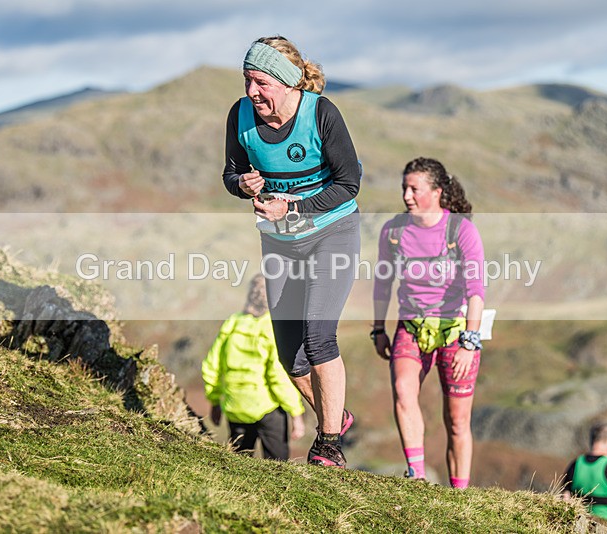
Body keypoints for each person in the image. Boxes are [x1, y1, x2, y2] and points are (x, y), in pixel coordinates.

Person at [222, 36, 360, 467]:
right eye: (247, 81)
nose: (251, 92)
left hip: (331, 233)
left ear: (283, 82)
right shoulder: (240, 117)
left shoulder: (321, 114)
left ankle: (329, 444)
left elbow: (348, 184)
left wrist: (294, 206)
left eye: (260, 82)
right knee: (289, 356)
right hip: (279, 242)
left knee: (319, 340)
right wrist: (242, 185)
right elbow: (230, 173)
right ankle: (337, 416)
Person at [372, 157, 485, 487]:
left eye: (414, 189)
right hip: (411, 326)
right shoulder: (393, 231)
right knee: (403, 392)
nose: (406, 195)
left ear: (436, 192)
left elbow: (477, 290)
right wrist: (378, 328)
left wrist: (469, 342)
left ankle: (459, 494)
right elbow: (383, 283)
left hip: (456, 330)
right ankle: (417, 476)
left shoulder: (461, 229)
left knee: (457, 421)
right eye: (404, 188)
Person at [202, 274, 306, 460]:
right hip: (267, 408)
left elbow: (212, 366)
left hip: (235, 406)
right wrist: (296, 413)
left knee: (238, 463)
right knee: (278, 465)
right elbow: (277, 376)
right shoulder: (273, 327)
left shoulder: (233, 322)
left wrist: (215, 401)